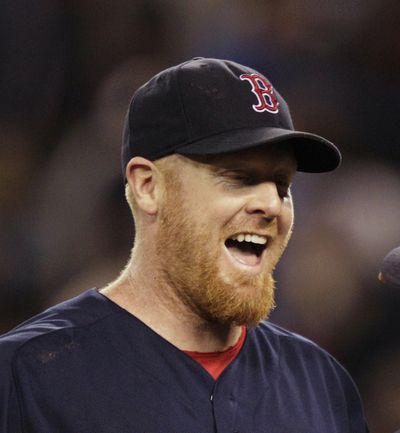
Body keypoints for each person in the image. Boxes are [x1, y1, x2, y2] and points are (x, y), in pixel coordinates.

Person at [0, 58, 369, 433]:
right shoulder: (28, 375)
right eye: (239, 177)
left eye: (282, 185)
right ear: (148, 187)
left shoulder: (322, 384)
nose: (272, 205)